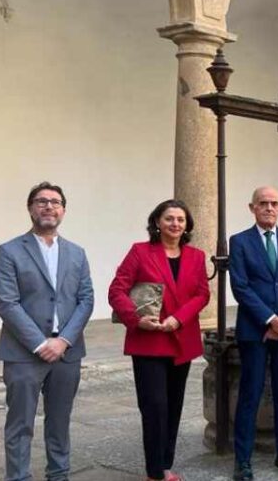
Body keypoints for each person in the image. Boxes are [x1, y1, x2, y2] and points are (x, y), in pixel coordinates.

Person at [0, 181, 94, 481]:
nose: (49, 206)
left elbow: (86, 300)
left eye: (55, 202)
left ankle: (59, 475)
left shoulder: (77, 253)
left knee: (60, 421)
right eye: (41, 201)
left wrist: (63, 340)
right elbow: (6, 302)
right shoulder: (9, 251)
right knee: (20, 423)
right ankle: (19, 477)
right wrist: (40, 343)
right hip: (23, 353)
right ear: (30, 208)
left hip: (67, 353)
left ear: (63, 210)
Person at [108, 199, 210, 481]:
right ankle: (155, 472)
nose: (175, 224)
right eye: (169, 218)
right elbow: (117, 290)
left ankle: (165, 464)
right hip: (149, 340)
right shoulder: (140, 252)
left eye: (180, 219)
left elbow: (202, 294)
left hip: (180, 337)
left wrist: (179, 318)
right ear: (157, 222)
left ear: (187, 225)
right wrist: (135, 318)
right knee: (154, 406)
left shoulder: (196, 256)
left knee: (174, 405)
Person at [229, 187, 278, 480]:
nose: (269, 208)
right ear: (252, 207)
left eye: (274, 203)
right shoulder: (240, 242)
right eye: (263, 203)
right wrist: (270, 319)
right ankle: (243, 461)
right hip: (255, 330)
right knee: (250, 394)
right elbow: (240, 286)